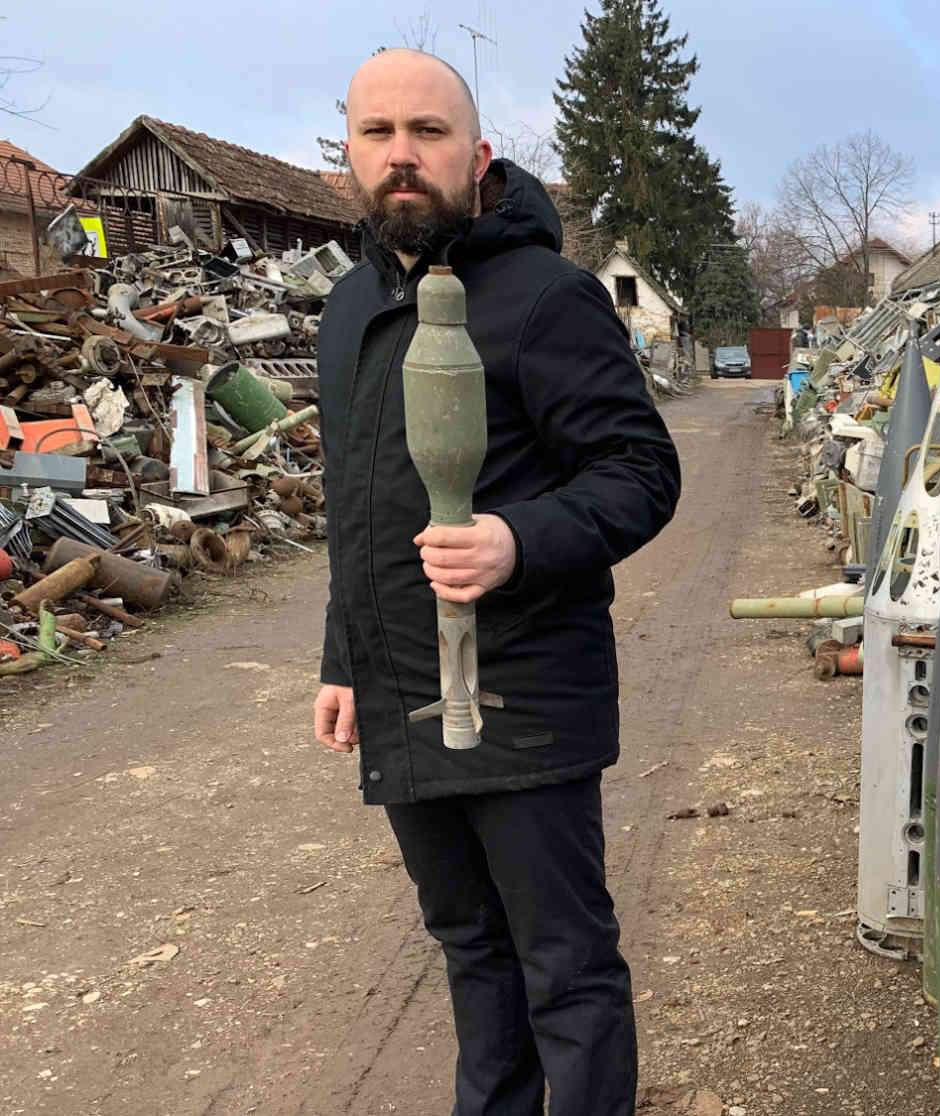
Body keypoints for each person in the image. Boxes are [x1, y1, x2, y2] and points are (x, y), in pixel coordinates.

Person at [311, 48, 679, 1116]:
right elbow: (359, 511)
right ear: (349, 154)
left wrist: (520, 539)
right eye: (378, 134)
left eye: (426, 133)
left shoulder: (545, 298)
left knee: (563, 963)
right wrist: (342, 661)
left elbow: (642, 472)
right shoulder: (345, 312)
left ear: (476, 155)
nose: (401, 156)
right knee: (470, 947)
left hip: (526, 693)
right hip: (399, 692)